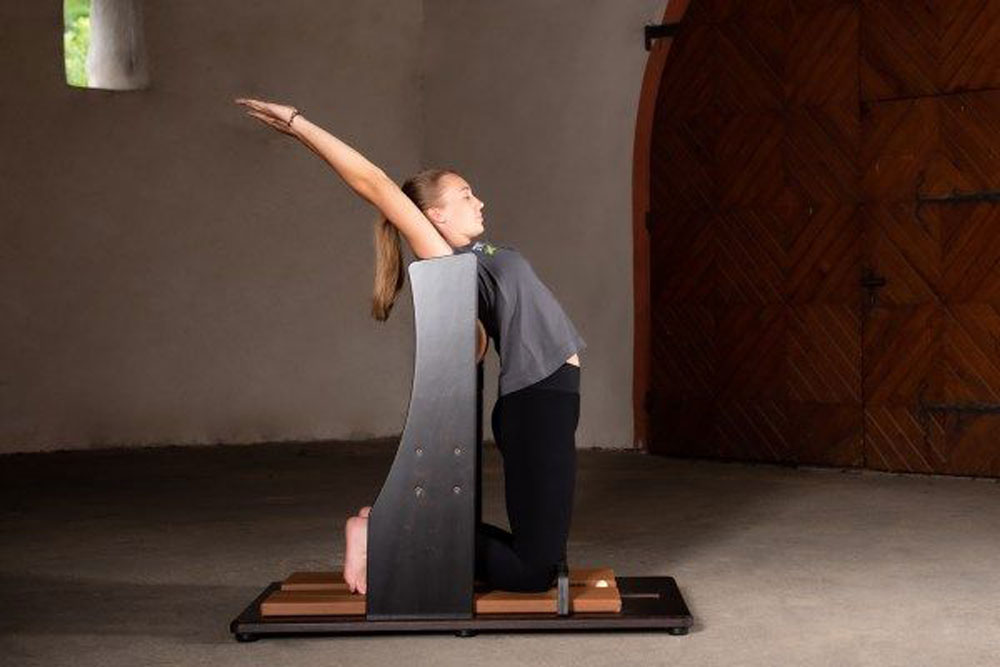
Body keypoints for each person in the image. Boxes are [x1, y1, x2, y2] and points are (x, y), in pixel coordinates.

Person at [235, 98, 585, 594]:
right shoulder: (444, 256)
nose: (480, 202)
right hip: (538, 402)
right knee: (534, 572)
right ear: (434, 215)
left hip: (548, 400)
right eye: (466, 195)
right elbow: (375, 184)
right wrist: (298, 124)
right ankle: (381, 532)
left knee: (538, 557)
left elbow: (479, 336)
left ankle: (384, 526)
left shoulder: (479, 254)